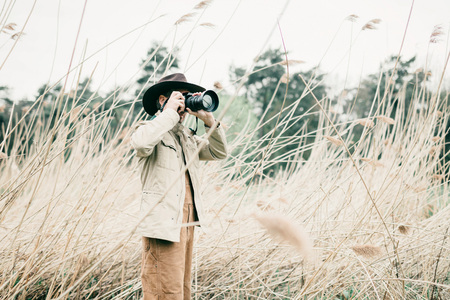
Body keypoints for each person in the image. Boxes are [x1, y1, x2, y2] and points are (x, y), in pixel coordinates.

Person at [130, 73, 228, 300]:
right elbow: (141, 143)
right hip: (163, 226)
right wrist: (168, 114)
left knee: (182, 291)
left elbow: (219, 152)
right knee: (164, 291)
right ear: (163, 100)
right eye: (180, 98)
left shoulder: (186, 137)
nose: (185, 104)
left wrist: (208, 120)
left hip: (186, 223)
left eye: (187, 98)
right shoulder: (151, 129)